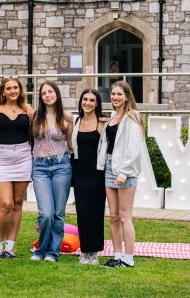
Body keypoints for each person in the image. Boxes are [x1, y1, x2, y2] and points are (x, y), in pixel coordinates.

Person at [0, 75, 34, 259]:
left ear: (20, 90)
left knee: (17, 204)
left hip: (22, 156)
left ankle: (10, 247)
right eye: (9, 88)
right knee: (6, 204)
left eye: (16, 88)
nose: (13, 91)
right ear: (3, 91)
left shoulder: (28, 109)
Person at [98, 81, 144, 268]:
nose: (115, 97)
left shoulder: (132, 116)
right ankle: (117, 256)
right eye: (113, 94)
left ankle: (128, 259)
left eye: (119, 94)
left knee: (125, 216)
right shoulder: (111, 117)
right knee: (113, 216)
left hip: (125, 170)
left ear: (127, 96)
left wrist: (124, 173)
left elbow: (134, 148)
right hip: (110, 167)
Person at [30, 80, 73, 263]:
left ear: (56, 93)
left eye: (51, 92)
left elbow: (71, 145)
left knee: (58, 213)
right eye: (44, 93)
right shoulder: (34, 115)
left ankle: (53, 253)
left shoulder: (67, 116)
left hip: (61, 165)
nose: (48, 95)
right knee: (45, 213)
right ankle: (41, 250)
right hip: (39, 166)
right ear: (40, 97)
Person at [71, 88, 107, 265]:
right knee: (82, 213)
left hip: (97, 173)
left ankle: (94, 253)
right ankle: (84, 252)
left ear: (97, 103)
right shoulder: (76, 121)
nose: (88, 103)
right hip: (80, 173)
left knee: (96, 213)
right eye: (85, 99)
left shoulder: (103, 122)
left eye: (92, 100)